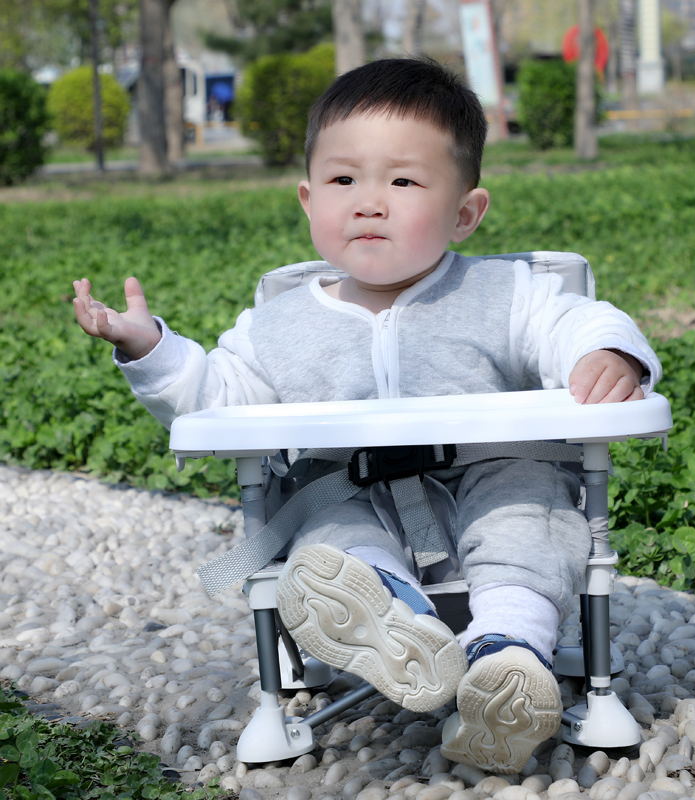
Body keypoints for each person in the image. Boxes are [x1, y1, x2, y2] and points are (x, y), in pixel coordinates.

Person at [73, 57, 661, 773]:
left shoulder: (506, 294)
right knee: (327, 533)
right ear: (307, 199)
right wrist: (152, 348)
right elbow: (214, 394)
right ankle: (394, 622)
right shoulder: (279, 324)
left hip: (488, 482)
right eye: (344, 180)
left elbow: (575, 319)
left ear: (465, 212)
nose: (369, 201)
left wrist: (605, 352)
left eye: (404, 181)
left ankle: (506, 654)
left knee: (528, 515)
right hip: (352, 494)